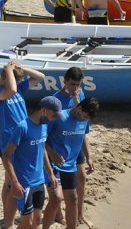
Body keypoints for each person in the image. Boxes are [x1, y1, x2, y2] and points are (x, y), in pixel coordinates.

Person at [0, 60, 45, 229]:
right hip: (7, 143)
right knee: (13, 182)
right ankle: (9, 223)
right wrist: (8, 69)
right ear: (5, 77)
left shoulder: (18, 87)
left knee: (9, 182)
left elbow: (40, 77)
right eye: (15, 79)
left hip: (22, 140)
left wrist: (20, 68)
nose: (19, 83)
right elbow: (11, 89)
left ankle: (8, 221)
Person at [2, 96, 61, 229]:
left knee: (36, 221)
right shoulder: (22, 127)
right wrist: (15, 182)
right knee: (27, 223)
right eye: (54, 115)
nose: (55, 118)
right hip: (24, 183)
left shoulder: (44, 126)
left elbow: (43, 150)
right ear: (44, 110)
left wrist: (50, 174)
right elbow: (6, 156)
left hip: (39, 181)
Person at [42, 97, 98, 229]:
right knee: (56, 199)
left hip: (70, 165)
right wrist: (52, 154)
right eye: (84, 116)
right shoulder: (60, 117)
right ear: (79, 108)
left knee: (73, 199)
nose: (85, 120)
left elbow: (83, 135)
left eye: (87, 118)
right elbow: (41, 138)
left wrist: (89, 157)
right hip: (53, 163)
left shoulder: (85, 119)